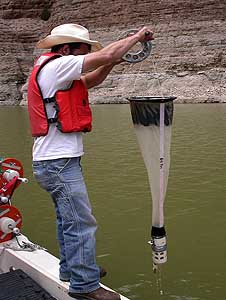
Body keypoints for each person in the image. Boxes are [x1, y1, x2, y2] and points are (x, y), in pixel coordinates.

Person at [27, 23, 153, 300]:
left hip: (54, 162)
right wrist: (136, 36)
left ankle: (71, 270)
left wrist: (112, 63)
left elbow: (91, 79)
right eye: (83, 51)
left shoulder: (56, 71)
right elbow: (105, 55)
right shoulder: (58, 65)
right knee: (81, 222)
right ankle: (84, 285)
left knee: (66, 220)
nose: (83, 58)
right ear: (66, 48)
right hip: (58, 163)